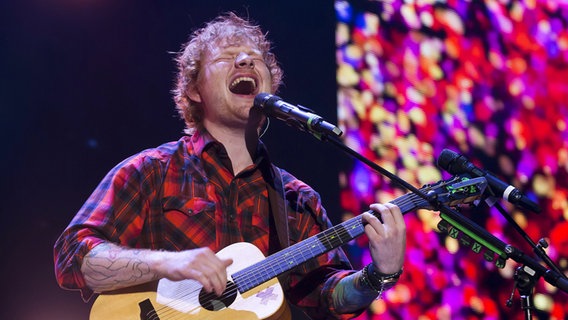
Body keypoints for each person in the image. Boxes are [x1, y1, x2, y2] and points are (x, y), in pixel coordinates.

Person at [53, 12, 406, 319]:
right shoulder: (151, 171)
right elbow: (74, 257)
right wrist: (168, 264)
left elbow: (330, 298)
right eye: (227, 56)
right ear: (193, 90)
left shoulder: (298, 201)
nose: (245, 61)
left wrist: (379, 275)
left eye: (256, 58)